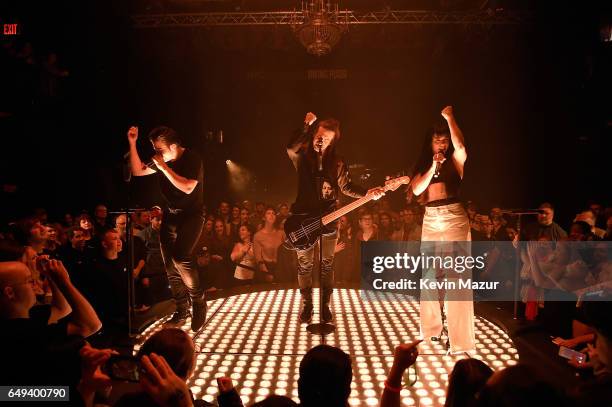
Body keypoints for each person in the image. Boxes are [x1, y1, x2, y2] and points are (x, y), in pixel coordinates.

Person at [286, 112, 384, 323]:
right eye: (319, 135)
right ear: (313, 135)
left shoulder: (337, 162)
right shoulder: (302, 157)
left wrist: (367, 192)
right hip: (303, 218)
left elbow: (346, 187)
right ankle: (307, 304)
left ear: (332, 142)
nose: (321, 140)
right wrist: (305, 125)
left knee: (327, 263)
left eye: (327, 138)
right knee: (305, 264)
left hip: (330, 217)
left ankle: (324, 305)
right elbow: (290, 147)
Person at [127, 125, 207, 331]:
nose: (157, 154)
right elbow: (137, 171)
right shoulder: (164, 159)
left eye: (160, 150)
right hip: (170, 216)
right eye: (154, 149)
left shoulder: (192, 158)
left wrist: (163, 167)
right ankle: (182, 309)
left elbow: (189, 187)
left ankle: (198, 301)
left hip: (192, 216)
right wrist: (132, 143)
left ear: (173, 146)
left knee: (181, 257)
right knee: (170, 267)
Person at [410, 105, 475, 354]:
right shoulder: (425, 165)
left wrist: (449, 118)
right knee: (429, 277)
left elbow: (462, 148)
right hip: (431, 217)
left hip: (454, 217)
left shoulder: (456, 162)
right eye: (438, 141)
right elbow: (417, 189)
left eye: (445, 140)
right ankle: (430, 332)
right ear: (430, 144)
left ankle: (460, 342)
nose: (443, 145)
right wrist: (433, 166)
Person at [253, 207, 285, 283]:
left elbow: (287, 252)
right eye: (268, 213)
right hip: (266, 269)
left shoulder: (281, 233)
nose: (271, 215)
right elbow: (258, 258)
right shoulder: (258, 235)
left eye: (273, 213)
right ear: (264, 218)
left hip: (281, 268)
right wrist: (267, 273)